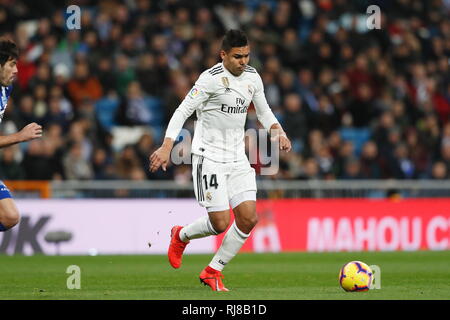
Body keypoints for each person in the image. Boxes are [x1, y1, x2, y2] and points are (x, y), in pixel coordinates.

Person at [149, 30, 291, 291]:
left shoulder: (252, 77)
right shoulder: (209, 80)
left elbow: (265, 111)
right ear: (223, 55)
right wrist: (167, 146)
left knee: (249, 219)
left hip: (237, 158)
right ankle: (180, 235)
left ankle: (213, 270)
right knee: (220, 224)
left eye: (247, 55)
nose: (244, 61)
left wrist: (279, 133)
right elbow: (182, 112)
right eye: (238, 56)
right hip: (209, 157)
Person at [0, 39, 42, 232]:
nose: (16, 70)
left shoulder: (5, 88)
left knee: (10, 216)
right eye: (11, 64)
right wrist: (19, 136)